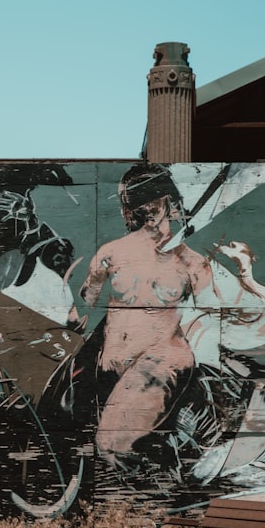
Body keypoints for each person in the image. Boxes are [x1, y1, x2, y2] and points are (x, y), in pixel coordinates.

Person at [78, 162, 213, 472]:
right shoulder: (112, 252)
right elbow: (88, 299)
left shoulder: (192, 263)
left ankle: (178, 486)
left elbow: (213, 317)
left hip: (161, 359)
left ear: (170, 200)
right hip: (114, 366)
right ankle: (177, 477)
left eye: (157, 199)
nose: (149, 208)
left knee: (112, 445)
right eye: (140, 202)